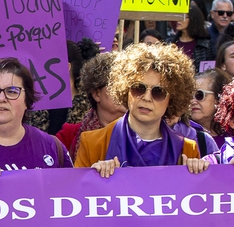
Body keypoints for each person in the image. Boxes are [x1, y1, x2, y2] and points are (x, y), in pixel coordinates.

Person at [75, 43, 200, 175]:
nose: (146, 98)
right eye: (138, 88)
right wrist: (94, 178)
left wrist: (200, 174)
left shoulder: (187, 149)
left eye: (158, 92)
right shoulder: (92, 143)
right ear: (125, 89)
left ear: (172, 99)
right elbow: (78, 191)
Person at [56, 52, 125, 156]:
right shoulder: (68, 136)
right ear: (96, 94)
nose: (124, 91)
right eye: (116, 85)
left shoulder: (142, 134)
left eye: (129, 85)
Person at [188, 69, 230, 143]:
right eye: (190, 95)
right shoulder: (183, 134)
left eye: (199, 95)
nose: (192, 101)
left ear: (219, 98)